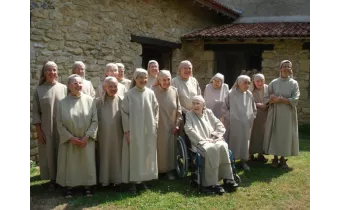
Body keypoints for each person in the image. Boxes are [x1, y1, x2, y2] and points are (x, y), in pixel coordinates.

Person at [184, 95, 239, 194]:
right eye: (193, 103)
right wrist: (203, 140)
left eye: (198, 103)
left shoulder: (208, 112)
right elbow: (189, 129)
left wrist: (215, 136)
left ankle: (228, 179)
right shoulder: (189, 114)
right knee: (210, 149)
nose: (195, 106)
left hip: (213, 139)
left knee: (223, 145)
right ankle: (211, 183)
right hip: (199, 142)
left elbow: (219, 124)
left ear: (203, 105)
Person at [56, 74, 98, 198]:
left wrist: (87, 137)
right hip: (70, 141)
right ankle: (69, 186)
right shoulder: (62, 103)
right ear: (69, 86)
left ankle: (87, 186)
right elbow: (59, 123)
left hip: (86, 140)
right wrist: (71, 138)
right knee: (70, 164)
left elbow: (95, 120)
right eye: (75, 83)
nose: (78, 85)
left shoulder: (90, 101)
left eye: (80, 83)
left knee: (86, 163)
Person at [121, 68, 159, 193]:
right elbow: (124, 113)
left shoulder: (150, 93)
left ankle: (144, 180)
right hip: (134, 130)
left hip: (148, 130)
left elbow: (156, 110)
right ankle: (133, 182)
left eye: (145, 78)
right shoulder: (129, 94)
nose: (143, 80)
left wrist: (155, 125)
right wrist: (127, 130)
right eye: (140, 77)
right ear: (135, 79)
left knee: (146, 154)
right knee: (135, 156)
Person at [32, 61, 67, 191]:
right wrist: (38, 131)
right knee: (49, 152)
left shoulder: (64, 88)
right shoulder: (39, 90)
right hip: (47, 128)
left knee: (62, 151)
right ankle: (52, 180)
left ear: (57, 72)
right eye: (49, 70)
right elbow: (35, 112)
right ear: (44, 72)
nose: (52, 72)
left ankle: (63, 178)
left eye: (54, 70)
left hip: (62, 127)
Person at [263, 60, 300, 169]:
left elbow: (295, 99)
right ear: (280, 68)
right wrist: (272, 100)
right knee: (275, 134)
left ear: (291, 69)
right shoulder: (274, 82)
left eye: (288, 66)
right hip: (275, 113)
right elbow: (266, 98)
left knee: (285, 135)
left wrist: (282, 100)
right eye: (284, 66)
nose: (286, 68)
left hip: (288, 114)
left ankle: (283, 159)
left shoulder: (294, 83)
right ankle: (275, 158)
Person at [151, 70, 182, 180]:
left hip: (171, 126)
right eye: (163, 79)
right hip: (158, 126)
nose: (166, 81)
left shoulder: (174, 91)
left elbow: (179, 109)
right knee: (159, 149)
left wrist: (177, 124)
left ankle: (170, 170)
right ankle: (158, 171)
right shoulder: (152, 91)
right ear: (158, 80)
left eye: (168, 79)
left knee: (170, 149)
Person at [222, 75, 257, 171]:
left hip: (246, 124)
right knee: (233, 142)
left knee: (245, 142)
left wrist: (251, 118)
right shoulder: (231, 93)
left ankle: (244, 161)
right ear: (239, 83)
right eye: (245, 83)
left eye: (249, 83)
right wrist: (231, 118)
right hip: (234, 124)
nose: (247, 85)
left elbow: (254, 108)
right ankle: (231, 161)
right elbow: (225, 108)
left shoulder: (249, 94)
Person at [96, 76, 123, 188]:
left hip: (118, 135)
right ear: (104, 87)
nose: (113, 88)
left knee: (117, 157)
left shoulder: (122, 100)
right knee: (104, 157)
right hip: (103, 136)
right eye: (110, 86)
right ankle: (104, 180)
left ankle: (117, 180)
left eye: (115, 86)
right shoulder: (97, 102)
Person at [203, 73, 230, 141]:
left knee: (221, 132)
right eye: (215, 81)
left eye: (218, 81)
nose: (216, 83)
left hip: (221, 115)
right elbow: (205, 100)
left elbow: (227, 102)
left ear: (222, 82)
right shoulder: (208, 87)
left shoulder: (225, 87)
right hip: (209, 114)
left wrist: (224, 115)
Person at [249, 73, 269, 162]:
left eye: (261, 81)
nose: (259, 83)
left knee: (263, 134)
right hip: (254, 115)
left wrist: (266, 105)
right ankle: (251, 154)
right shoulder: (250, 89)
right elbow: (246, 100)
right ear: (254, 81)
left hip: (265, 115)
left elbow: (270, 99)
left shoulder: (267, 88)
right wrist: (257, 104)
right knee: (253, 134)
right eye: (257, 81)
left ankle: (261, 154)